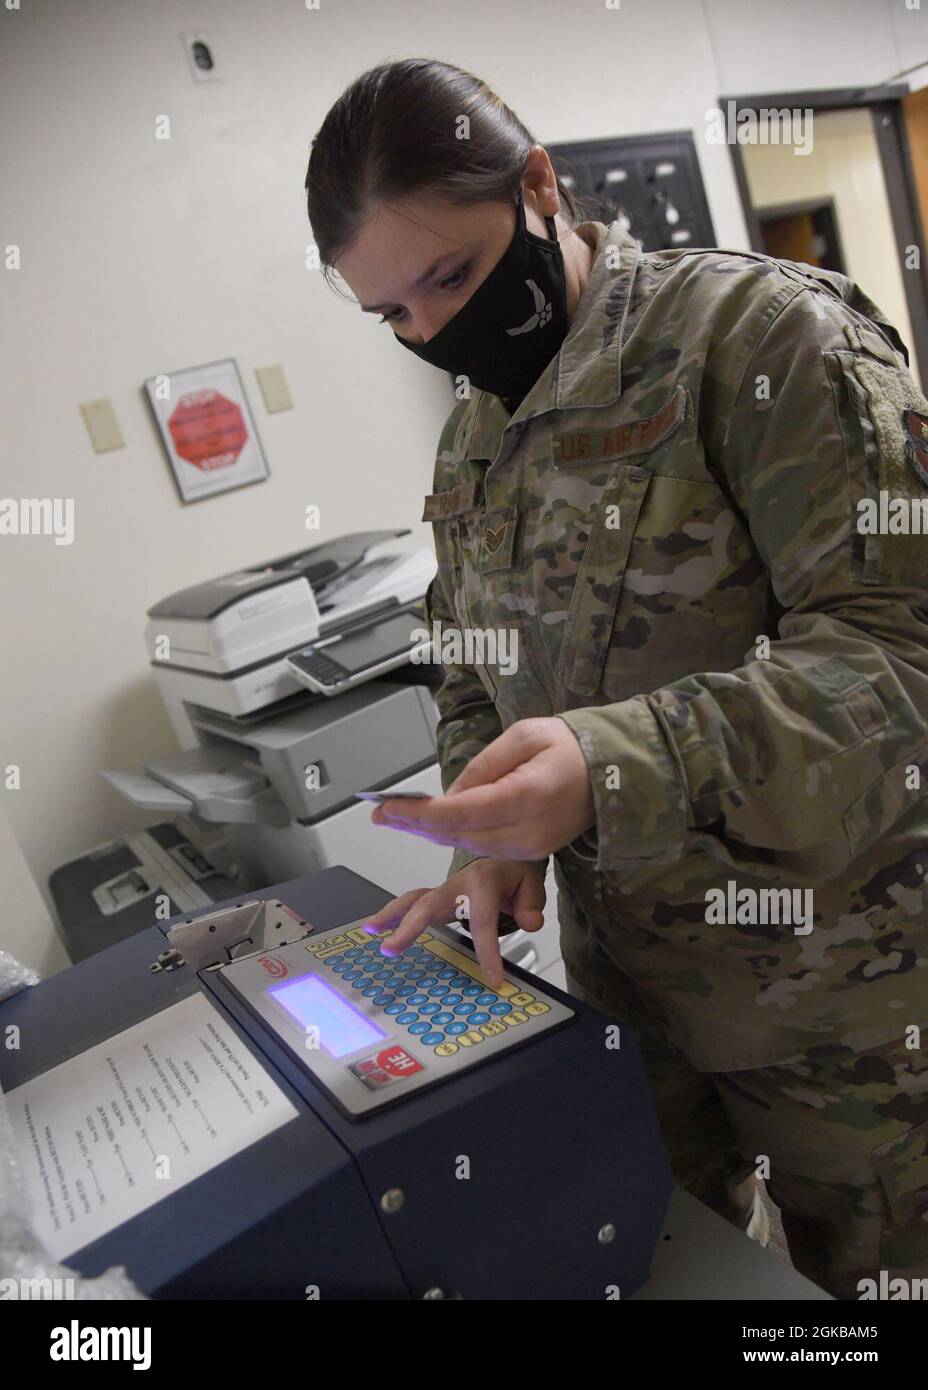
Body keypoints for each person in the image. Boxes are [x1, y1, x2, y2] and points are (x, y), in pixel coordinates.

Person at [305, 57, 928, 1299]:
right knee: (669, 1271)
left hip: (838, 1005)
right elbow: (474, 659)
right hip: (632, 996)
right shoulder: (477, 428)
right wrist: (489, 836)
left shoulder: (761, 338)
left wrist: (610, 762)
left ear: (541, 187)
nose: (433, 333)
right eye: (392, 316)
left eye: (452, 277)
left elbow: (896, 652)